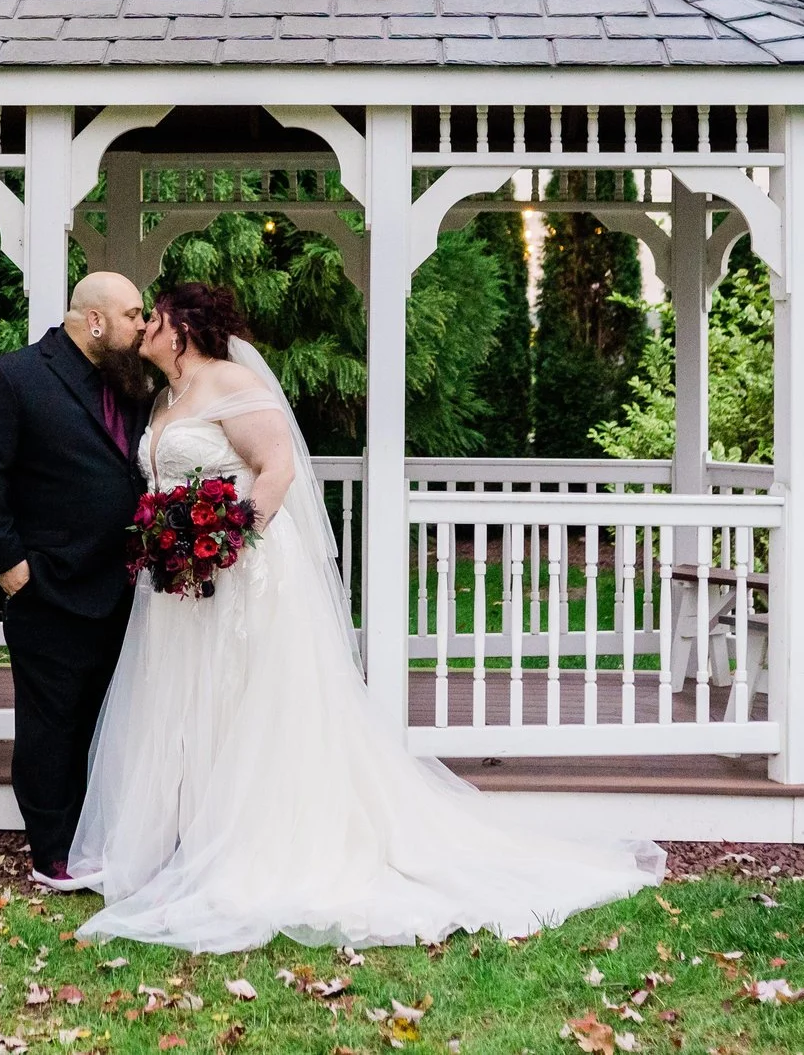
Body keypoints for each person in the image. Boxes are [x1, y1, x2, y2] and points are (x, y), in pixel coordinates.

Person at [67, 282, 665, 950]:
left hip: (242, 574)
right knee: (193, 702)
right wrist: (171, 542)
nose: (146, 325)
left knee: (250, 703)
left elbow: (276, 467)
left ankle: (259, 841)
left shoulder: (230, 381)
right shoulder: (164, 397)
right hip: (179, 582)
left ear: (185, 327)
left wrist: (228, 541)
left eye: (157, 316)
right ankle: (196, 835)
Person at [0, 271, 152, 888]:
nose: (142, 326)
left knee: (108, 717)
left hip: (127, 586)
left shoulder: (134, 384)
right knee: (52, 722)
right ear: (95, 320)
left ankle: (99, 836)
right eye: (133, 315)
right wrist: (12, 571)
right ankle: (53, 852)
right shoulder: (15, 377)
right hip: (49, 585)